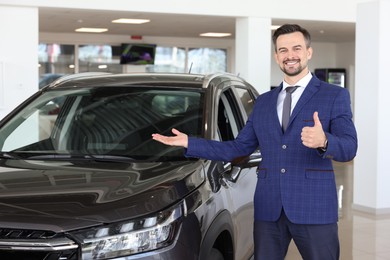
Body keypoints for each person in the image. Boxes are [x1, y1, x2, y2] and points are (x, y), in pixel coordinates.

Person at [152, 24, 358, 260]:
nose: (290, 55)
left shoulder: (333, 96)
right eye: (283, 50)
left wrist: (324, 141)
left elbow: (349, 147)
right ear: (276, 56)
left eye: (296, 48)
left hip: (314, 208)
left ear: (308, 52)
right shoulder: (264, 102)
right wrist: (190, 143)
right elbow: (239, 148)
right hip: (269, 209)